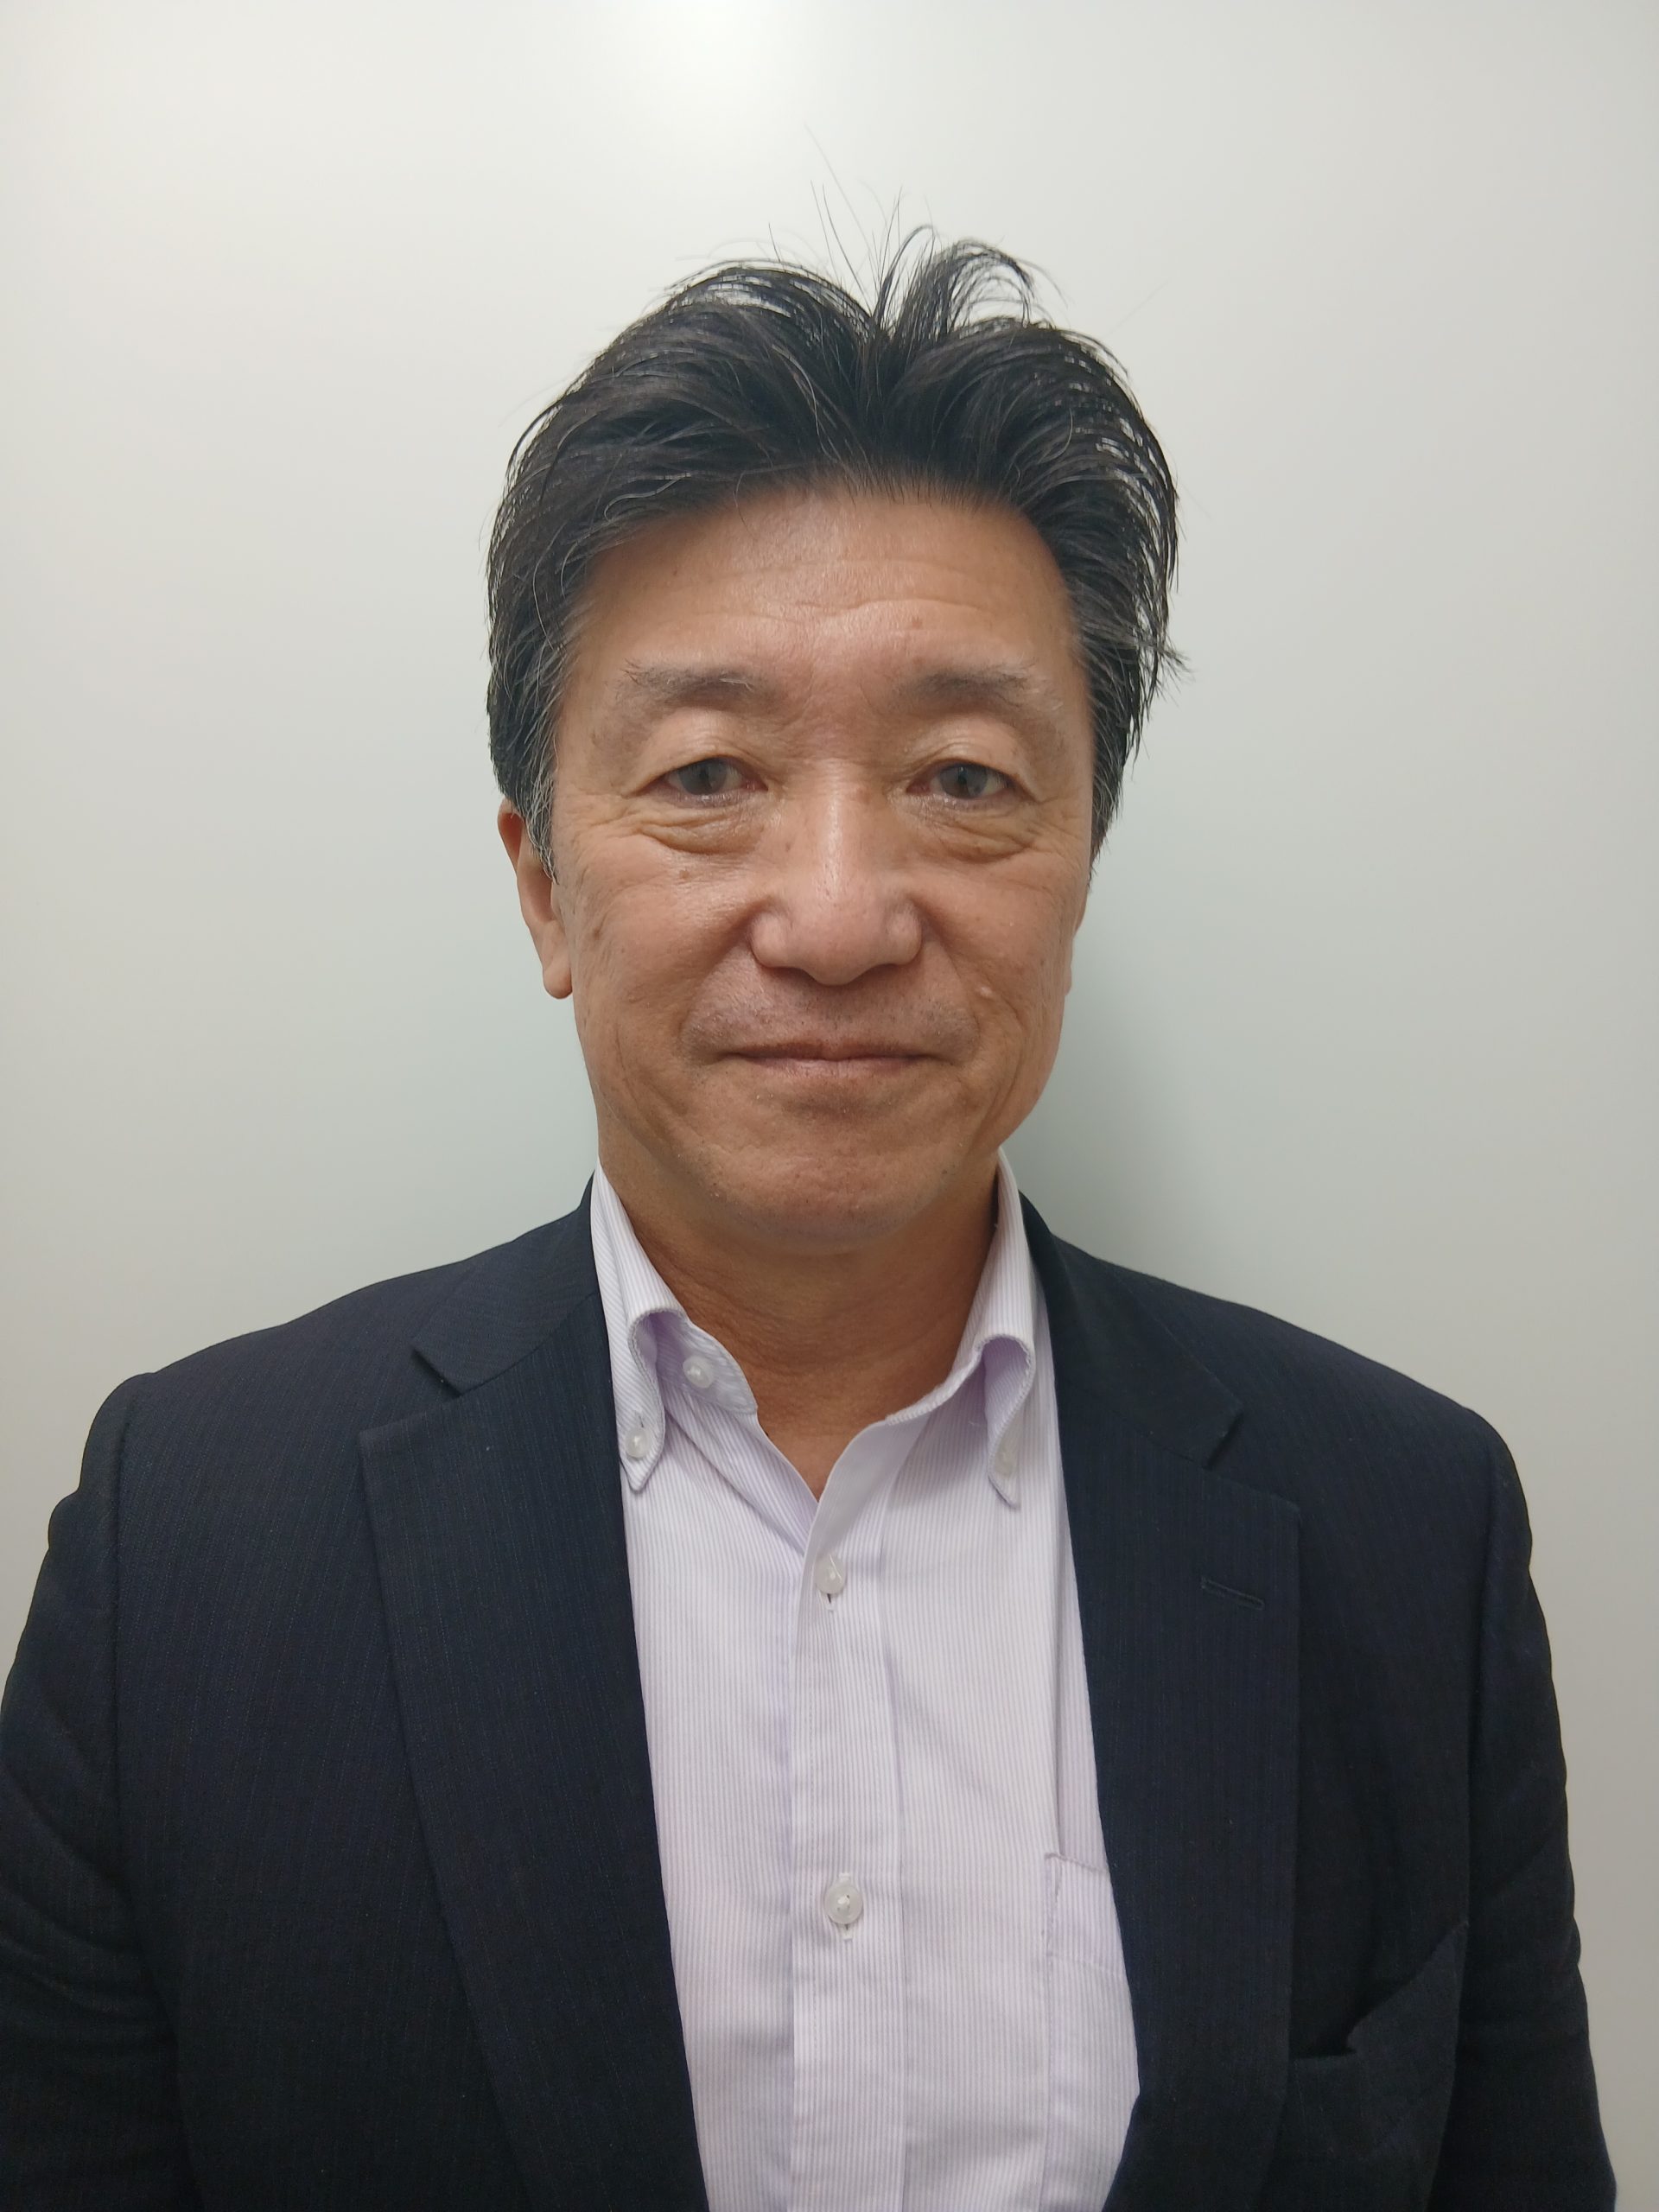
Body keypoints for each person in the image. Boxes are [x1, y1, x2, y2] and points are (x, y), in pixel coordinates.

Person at [0, 238, 1614, 2212]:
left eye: (963, 777)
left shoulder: (1407, 1532)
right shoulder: (185, 1545)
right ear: (543, 889)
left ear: (1079, 864)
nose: (840, 917)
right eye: (710, 774)